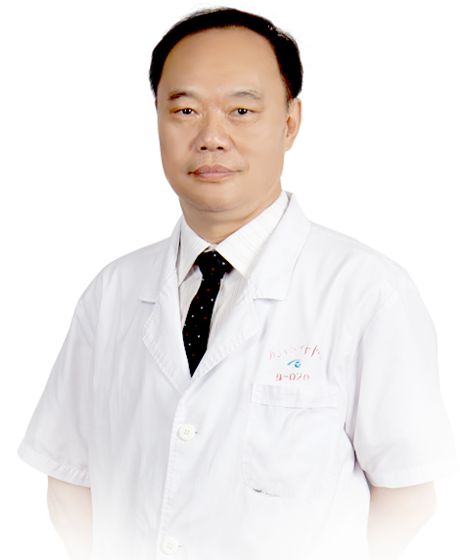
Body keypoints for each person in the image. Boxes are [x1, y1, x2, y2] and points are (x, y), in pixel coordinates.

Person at [18, 9, 458, 560]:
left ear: (290, 123)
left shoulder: (365, 293)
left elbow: (409, 497)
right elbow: (68, 482)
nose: (211, 138)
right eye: (185, 110)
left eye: (242, 110)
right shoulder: (112, 294)